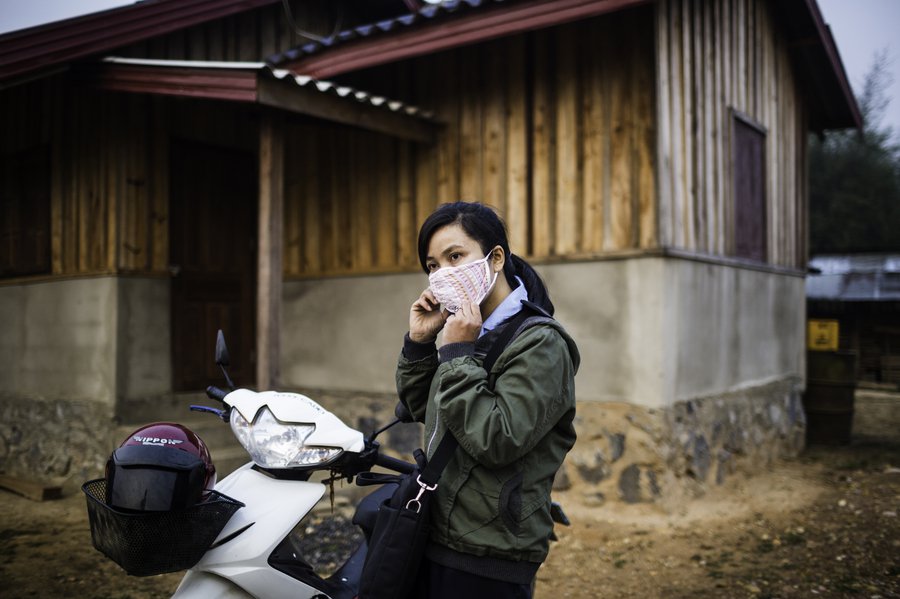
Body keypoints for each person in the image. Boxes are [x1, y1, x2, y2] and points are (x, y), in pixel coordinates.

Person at [397, 201, 580, 598]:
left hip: (490, 550)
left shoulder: (540, 343)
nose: (443, 274)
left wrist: (457, 355)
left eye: (455, 256)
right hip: (438, 530)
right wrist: (419, 344)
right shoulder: (466, 330)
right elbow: (425, 410)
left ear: (495, 258)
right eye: (432, 265)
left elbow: (498, 439)